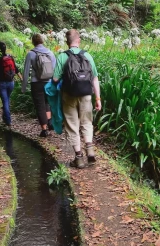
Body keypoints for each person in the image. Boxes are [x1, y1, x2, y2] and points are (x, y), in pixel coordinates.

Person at [52, 29, 101, 169]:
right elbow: (95, 78)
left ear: (67, 42)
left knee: (72, 125)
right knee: (87, 122)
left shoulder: (62, 56)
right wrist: (98, 98)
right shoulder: (87, 56)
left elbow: (55, 78)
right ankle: (90, 149)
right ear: (78, 40)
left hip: (69, 95)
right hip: (86, 94)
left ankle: (79, 158)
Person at [23, 33, 56, 137]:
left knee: (39, 105)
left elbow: (26, 71)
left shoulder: (30, 54)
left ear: (33, 42)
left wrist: (24, 87)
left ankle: (44, 130)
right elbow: (54, 69)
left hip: (36, 83)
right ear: (42, 41)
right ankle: (50, 122)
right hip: (49, 82)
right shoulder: (50, 53)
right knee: (47, 103)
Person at [0, 41, 20, 127]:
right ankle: (5, 117)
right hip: (11, 83)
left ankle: (8, 121)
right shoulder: (10, 57)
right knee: (6, 100)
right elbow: (16, 69)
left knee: (5, 101)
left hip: (1, 83)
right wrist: (21, 78)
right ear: (5, 49)